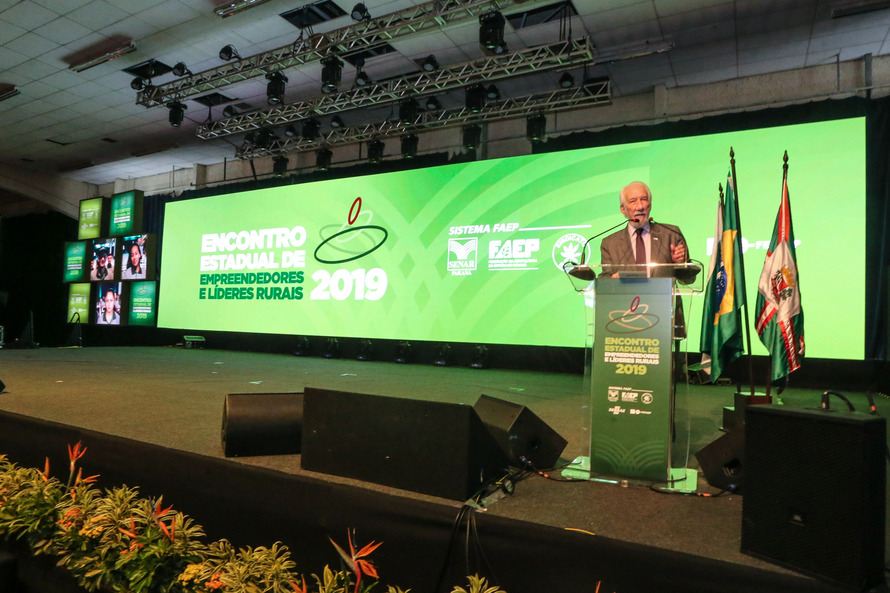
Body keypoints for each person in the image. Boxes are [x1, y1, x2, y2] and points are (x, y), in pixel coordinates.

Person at [600, 181, 697, 284]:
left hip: (664, 300)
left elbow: (689, 280)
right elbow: (604, 281)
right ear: (623, 210)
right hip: (628, 300)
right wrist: (612, 280)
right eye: (633, 201)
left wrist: (681, 264)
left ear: (650, 205)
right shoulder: (610, 244)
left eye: (644, 199)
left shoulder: (671, 234)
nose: (640, 206)